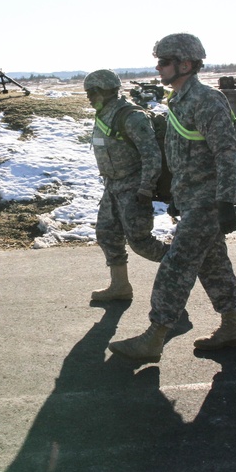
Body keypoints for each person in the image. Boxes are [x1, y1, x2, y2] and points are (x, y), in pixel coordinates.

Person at [108, 33, 236, 362]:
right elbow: (183, 154)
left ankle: (154, 337)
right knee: (213, 264)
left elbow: (227, 153)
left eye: (163, 62)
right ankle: (231, 326)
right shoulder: (179, 101)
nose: (158, 68)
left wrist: (226, 202)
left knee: (176, 265)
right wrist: (174, 194)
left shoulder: (207, 100)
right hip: (191, 197)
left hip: (208, 201)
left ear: (185, 64)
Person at [84, 69, 169, 302]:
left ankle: (180, 264)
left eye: (94, 91)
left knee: (140, 241)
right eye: (88, 92)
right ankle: (120, 286)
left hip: (134, 187)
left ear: (109, 90)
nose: (89, 97)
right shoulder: (103, 114)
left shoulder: (131, 116)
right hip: (112, 186)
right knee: (107, 234)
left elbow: (151, 155)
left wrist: (145, 187)